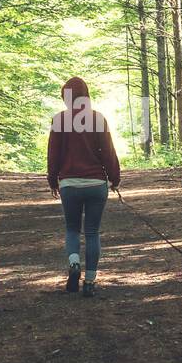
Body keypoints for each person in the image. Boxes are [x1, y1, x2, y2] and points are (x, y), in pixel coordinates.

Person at [46, 76, 121, 297]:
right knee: (92, 232)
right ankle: (89, 282)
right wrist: (114, 178)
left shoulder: (60, 120)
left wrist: (53, 180)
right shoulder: (98, 119)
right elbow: (108, 153)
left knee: (71, 228)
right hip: (96, 184)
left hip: (69, 184)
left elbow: (53, 155)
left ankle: (74, 263)